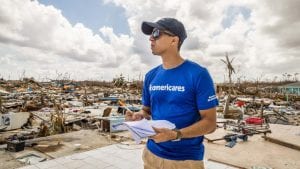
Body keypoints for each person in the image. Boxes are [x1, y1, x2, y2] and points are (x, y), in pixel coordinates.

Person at [126, 17, 219, 169]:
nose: (150, 38)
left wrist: (176, 134)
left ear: (174, 40)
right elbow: (147, 110)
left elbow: (210, 123)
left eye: (156, 33)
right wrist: (140, 116)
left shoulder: (198, 74)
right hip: (151, 155)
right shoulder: (151, 76)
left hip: (185, 161)